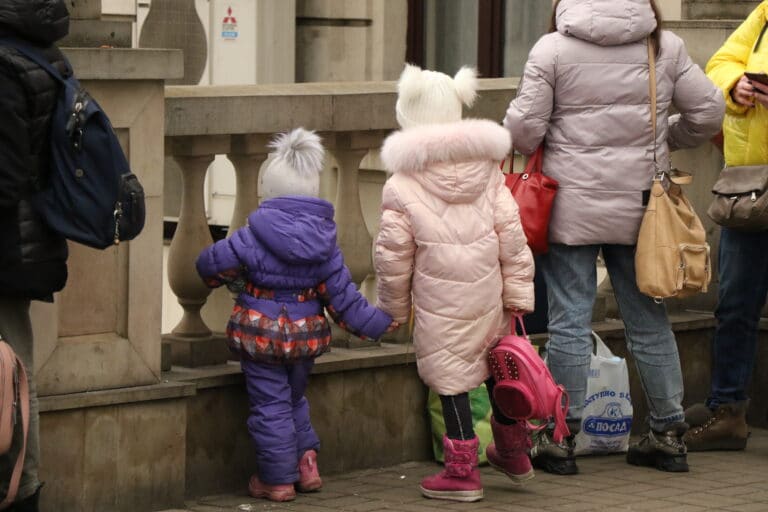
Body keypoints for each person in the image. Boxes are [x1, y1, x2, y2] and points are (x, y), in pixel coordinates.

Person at [504, 0, 724, 474]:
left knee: (568, 321)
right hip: (642, 209)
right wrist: (665, 136)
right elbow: (709, 112)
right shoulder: (663, 46)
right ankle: (667, 433)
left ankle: (560, 439)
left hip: (570, 208)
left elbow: (523, 132)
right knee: (648, 319)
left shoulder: (551, 49)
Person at [196, 128, 397, 503]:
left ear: (268, 193)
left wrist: (216, 271)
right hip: (305, 338)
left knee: (270, 405)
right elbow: (345, 301)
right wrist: (381, 322)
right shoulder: (325, 242)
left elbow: (209, 265)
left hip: (262, 336)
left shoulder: (250, 237)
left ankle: (276, 480)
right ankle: (307, 465)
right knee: (293, 398)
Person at [375, 64, 535, 502]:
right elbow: (512, 236)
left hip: (439, 301)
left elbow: (393, 257)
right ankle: (514, 453)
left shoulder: (402, 183)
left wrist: (391, 310)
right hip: (488, 296)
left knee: (451, 379)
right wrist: (519, 293)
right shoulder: (487, 170)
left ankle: (462, 474)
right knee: (495, 371)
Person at [683, 1, 768, 452]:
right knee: (734, 304)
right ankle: (728, 410)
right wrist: (737, 88)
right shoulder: (765, 13)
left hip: (751, 185)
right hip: (749, 186)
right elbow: (719, 62)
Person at [0, 1, 71, 510]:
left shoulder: (3, 64)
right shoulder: (42, 51)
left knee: (13, 377)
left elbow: (4, 175)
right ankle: (24, 488)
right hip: (26, 241)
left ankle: (19, 489)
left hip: (6, 242)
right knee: (18, 371)